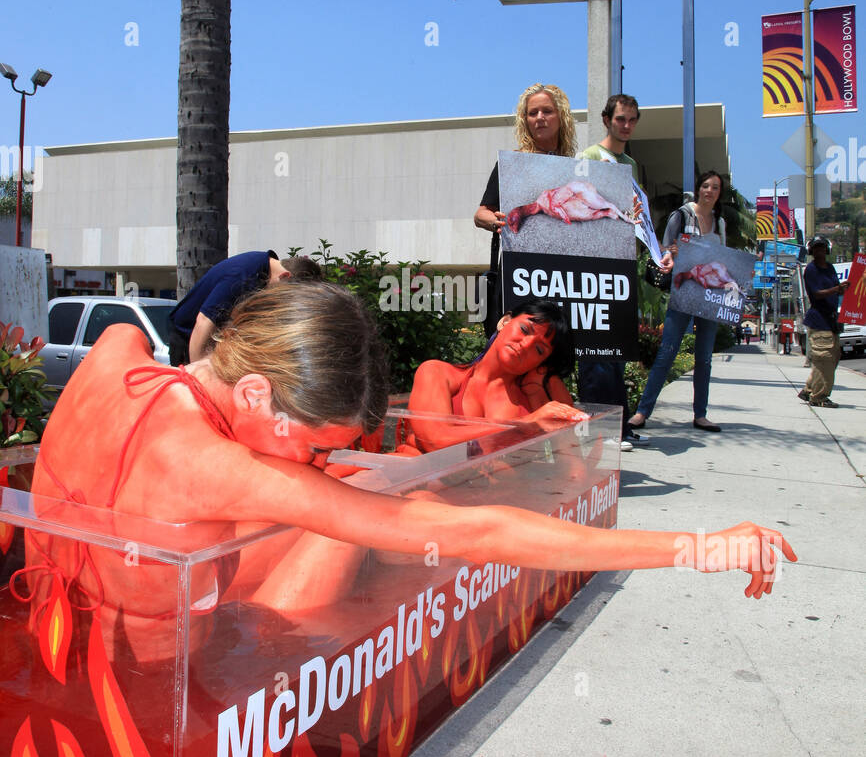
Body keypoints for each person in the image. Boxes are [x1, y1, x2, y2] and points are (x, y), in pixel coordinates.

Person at [19, 285, 790, 674]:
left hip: (58, 624)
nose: (312, 463)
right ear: (257, 394)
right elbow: (473, 530)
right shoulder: (222, 470)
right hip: (167, 675)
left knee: (353, 487)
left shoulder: (116, 347)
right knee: (389, 501)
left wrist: (316, 463)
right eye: (312, 447)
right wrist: (698, 546)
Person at [578, 94, 673, 451]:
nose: (627, 125)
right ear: (606, 120)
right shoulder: (590, 157)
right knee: (594, 351)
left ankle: (620, 427)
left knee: (615, 349)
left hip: (621, 264)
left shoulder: (629, 162)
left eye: (632, 120)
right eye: (621, 119)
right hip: (595, 263)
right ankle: (600, 431)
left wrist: (657, 254)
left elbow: (639, 220)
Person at [405, 302, 585, 451]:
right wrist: (524, 423)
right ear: (504, 322)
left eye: (539, 349)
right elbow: (436, 440)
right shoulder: (437, 373)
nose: (526, 344)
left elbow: (572, 472)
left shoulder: (535, 395)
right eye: (524, 329)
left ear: (542, 362)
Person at [474, 83, 577, 338]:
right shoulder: (512, 164)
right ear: (525, 120)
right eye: (533, 113)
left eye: (547, 111)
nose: (540, 118)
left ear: (560, 116)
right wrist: (495, 220)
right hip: (519, 276)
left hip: (561, 277)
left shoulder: (575, 169)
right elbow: (481, 213)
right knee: (514, 348)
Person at [630, 170, 727, 435]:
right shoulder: (681, 215)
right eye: (706, 186)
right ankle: (642, 411)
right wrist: (673, 253)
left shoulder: (719, 221)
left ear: (720, 193)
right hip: (684, 290)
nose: (709, 191)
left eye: (715, 187)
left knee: (705, 358)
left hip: (709, 294)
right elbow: (664, 249)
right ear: (698, 189)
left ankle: (701, 414)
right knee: (667, 352)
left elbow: (722, 256)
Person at [167, 250, 321, 365]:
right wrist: (197, 373)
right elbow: (204, 321)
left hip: (213, 344)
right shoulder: (243, 273)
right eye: (287, 293)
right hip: (188, 339)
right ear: (285, 276)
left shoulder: (263, 270)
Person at [798, 236, 848, 408]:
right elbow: (816, 294)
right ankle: (819, 397)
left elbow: (835, 291)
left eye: (822, 248)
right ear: (811, 251)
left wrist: (843, 289)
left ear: (827, 250)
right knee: (824, 359)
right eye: (816, 248)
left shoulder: (830, 268)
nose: (819, 251)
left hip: (831, 320)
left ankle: (809, 389)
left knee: (832, 358)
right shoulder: (811, 270)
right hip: (819, 320)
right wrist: (836, 289)